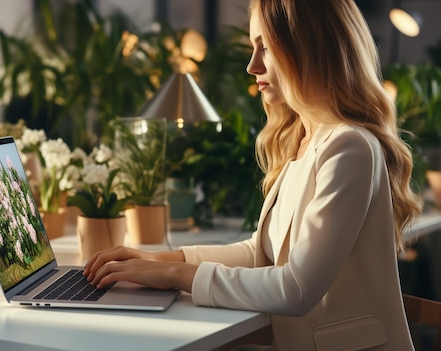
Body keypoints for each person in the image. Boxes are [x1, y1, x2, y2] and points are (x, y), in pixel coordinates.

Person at [84, 0, 423, 349]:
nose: (251, 65)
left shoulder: (349, 147)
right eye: (252, 48)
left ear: (308, 48)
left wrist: (175, 275)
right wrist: (162, 259)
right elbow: (262, 253)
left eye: (265, 47)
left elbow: (296, 288)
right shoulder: (303, 140)